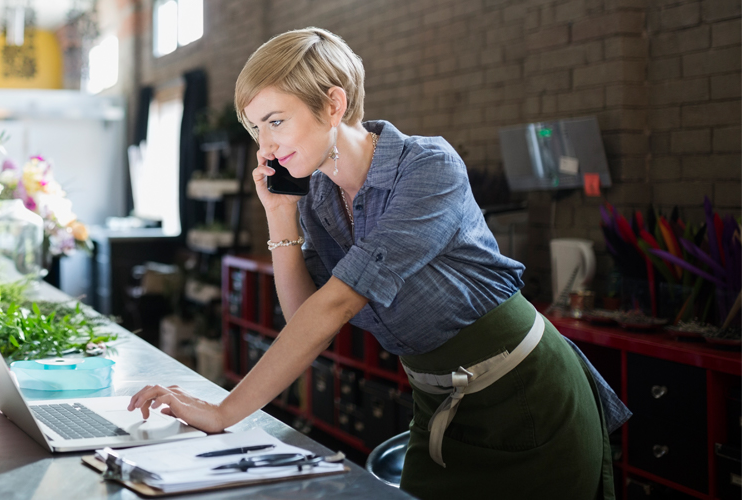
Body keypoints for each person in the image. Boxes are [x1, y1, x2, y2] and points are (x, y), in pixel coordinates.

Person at [127, 27, 628, 500]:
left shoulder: (429, 167)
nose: (266, 147)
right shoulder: (320, 196)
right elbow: (308, 319)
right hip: (437, 404)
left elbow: (339, 303)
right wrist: (281, 216)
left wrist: (225, 410)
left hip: (525, 395)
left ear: (333, 103)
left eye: (276, 122)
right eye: (257, 129)